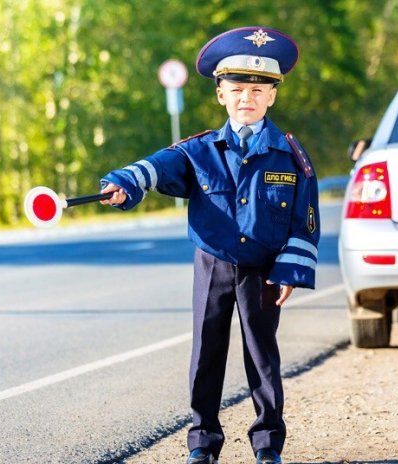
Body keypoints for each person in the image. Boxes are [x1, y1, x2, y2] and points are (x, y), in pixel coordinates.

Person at [99, 26, 319, 464]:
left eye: (258, 90)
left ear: (272, 96)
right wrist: (123, 183)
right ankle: (202, 443)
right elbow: (155, 168)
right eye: (237, 89)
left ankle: (267, 445)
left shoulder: (290, 156)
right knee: (206, 354)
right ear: (221, 94)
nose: (247, 98)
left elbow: (305, 220)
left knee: (263, 358)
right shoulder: (198, 151)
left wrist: (290, 271)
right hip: (213, 264)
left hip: (264, 269)